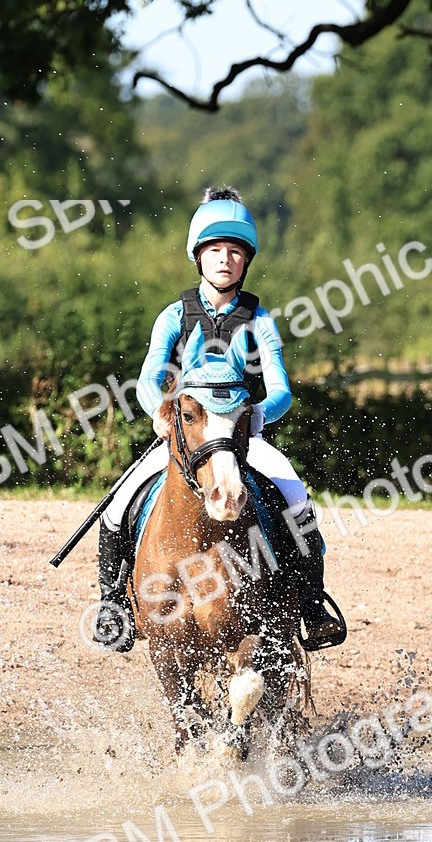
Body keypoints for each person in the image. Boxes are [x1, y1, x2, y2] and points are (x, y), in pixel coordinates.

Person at [95, 185, 345, 653]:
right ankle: (114, 606)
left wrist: (255, 416)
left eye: (234, 251)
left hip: (240, 434)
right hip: (187, 433)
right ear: (198, 257)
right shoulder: (174, 315)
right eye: (214, 250)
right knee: (117, 503)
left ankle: (310, 606)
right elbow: (150, 378)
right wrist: (161, 413)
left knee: (295, 497)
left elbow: (282, 390)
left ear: (246, 260)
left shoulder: (259, 319)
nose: (225, 259)